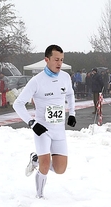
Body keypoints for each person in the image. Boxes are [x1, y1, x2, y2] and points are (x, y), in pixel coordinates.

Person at [13, 44, 76, 198]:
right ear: (46, 60)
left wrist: (72, 113)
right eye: (56, 59)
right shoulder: (36, 81)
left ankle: (36, 160)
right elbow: (18, 104)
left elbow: (70, 95)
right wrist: (32, 123)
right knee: (46, 166)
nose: (59, 63)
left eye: (61, 60)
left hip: (59, 129)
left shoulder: (65, 77)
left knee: (61, 169)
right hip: (42, 129)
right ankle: (39, 196)